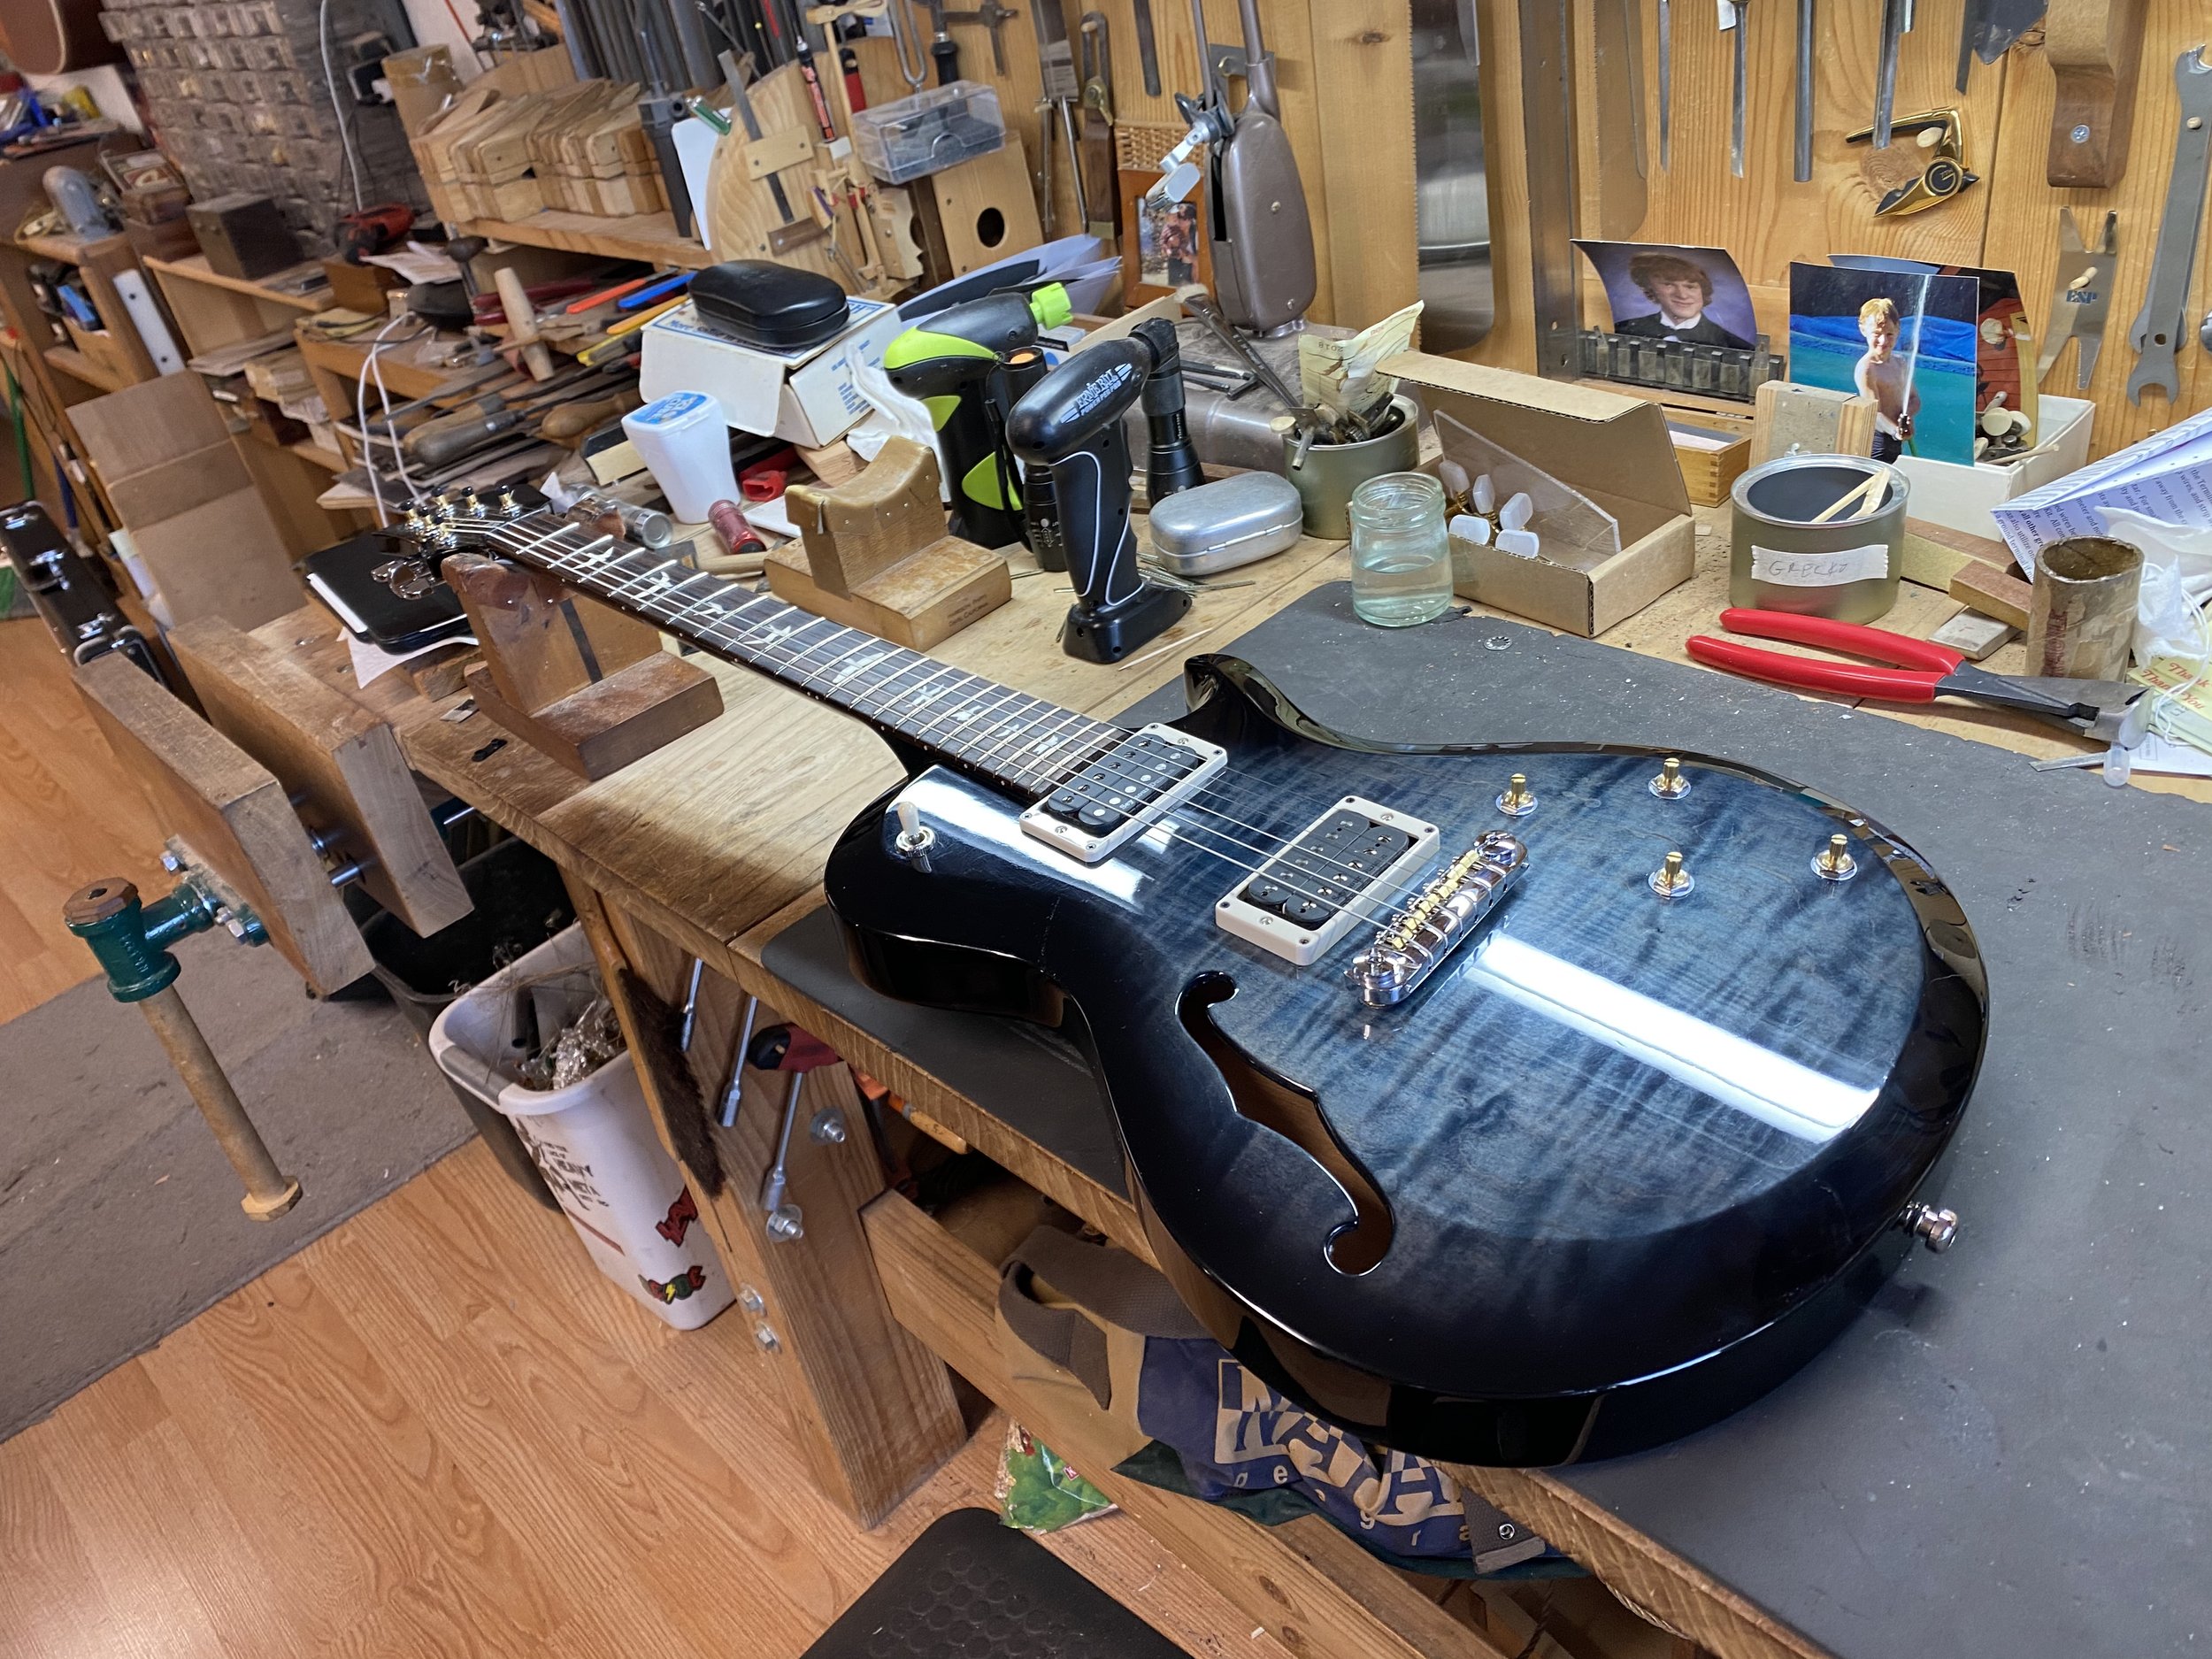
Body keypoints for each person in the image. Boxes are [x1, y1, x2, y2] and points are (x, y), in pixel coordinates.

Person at [1614, 251, 1753, 349]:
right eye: (1669, 284)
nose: (1682, 295)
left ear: (1703, 292)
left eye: (1690, 287)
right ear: (1651, 290)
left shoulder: (1735, 346)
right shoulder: (1623, 331)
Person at [1853, 296, 1919, 464]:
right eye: (1877, 334)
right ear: (1863, 330)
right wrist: (1896, 432)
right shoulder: (1868, 369)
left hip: (1895, 437)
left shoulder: (1901, 363)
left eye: (1889, 334)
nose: (1883, 340)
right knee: (1877, 484)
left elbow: (1914, 399)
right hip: (1877, 442)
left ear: (1898, 330)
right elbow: (1873, 413)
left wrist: (1906, 418)